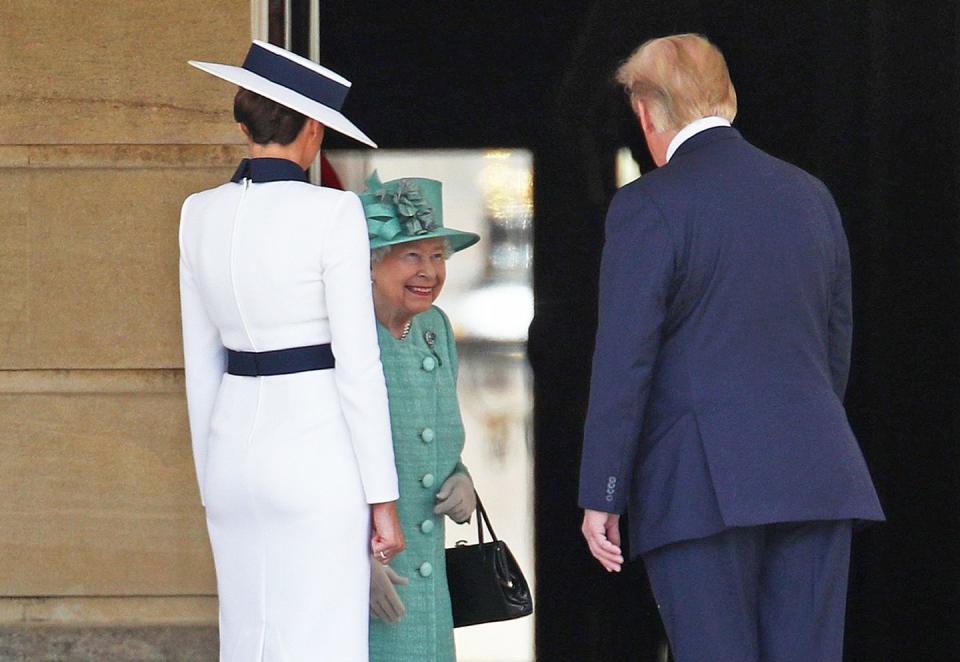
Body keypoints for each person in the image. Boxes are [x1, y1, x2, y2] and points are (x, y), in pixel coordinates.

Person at [578, 34, 884, 662]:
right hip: (818, 471)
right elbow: (836, 343)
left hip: (699, 486)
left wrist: (602, 491)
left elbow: (624, 362)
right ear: (731, 100)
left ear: (645, 112)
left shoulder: (648, 205)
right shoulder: (811, 195)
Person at [179, 41, 404, 661]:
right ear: (310, 127)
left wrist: (211, 475)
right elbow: (358, 367)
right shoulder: (332, 213)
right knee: (321, 643)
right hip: (314, 457)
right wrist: (382, 498)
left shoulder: (197, 213)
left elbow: (202, 367)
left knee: (248, 644)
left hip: (230, 456)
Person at [360, 172, 480, 661]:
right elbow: (318, 454)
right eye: (412, 255)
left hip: (428, 571)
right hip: (376, 571)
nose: (429, 271)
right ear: (371, 261)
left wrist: (463, 480)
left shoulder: (435, 326)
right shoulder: (345, 332)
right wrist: (353, 561)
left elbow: (440, 437)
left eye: (437, 256)